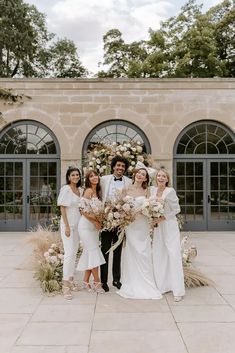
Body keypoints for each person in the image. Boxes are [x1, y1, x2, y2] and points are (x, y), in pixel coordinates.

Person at [117, 167, 162, 299]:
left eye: (143, 174)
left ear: (146, 178)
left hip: (142, 224)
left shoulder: (147, 191)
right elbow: (119, 207)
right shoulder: (125, 189)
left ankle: (146, 282)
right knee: (132, 251)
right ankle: (131, 281)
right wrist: (125, 214)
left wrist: (145, 210)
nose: (140, 175)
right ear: (135, 174)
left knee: (143, 251)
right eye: (139, 173)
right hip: (130, 225)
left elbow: (150, 208)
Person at [150, 168, 185, 302]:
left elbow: (177, 209)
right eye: (159, 175)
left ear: (167, 179)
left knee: (173, 255)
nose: (160, 178)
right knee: (159, 254)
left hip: (169, 225)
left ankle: (178, 291)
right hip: (158, 227)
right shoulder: (152, 190)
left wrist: (162, 218)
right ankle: (162, 286)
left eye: (163, 176)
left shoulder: (170, 191)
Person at [100, 156, 132, 292]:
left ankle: (116, 279)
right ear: (113, 166)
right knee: (105, 250)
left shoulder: (129, 182)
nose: (120, 168)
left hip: (121, 221)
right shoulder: (104, 179)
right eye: (118, 166)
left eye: (123, 167)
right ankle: (103, 281)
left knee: (118, 251)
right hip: (107, 219)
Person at [77, 170, 105, 293]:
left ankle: (85, 281)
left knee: (90, 252)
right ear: (88, 179)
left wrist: (99, 221)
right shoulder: (88, 191)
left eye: (95, 175)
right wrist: (95, 221)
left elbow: (98, 211)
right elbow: (82, 210)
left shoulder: (98, 192)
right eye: (91, 176)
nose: (94, 177)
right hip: (86, 226)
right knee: (93, 251)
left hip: (94, 227)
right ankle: (97, 283)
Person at [57, 167, 83, 300]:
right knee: (69, 254)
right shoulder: (66, 189)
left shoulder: (80, 190)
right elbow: (62, 207)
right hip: (68, 225)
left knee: (74, 253)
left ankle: (71, 280)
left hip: (79, 226)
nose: (75, 177)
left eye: (77, 175)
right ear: (68, 177)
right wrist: (66, 226)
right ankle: (65, 285)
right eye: (73, 175)